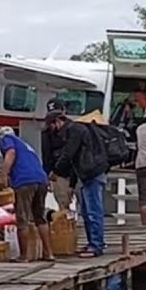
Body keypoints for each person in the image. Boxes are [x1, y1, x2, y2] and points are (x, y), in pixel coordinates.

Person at [48, 108, 108, 257]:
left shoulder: (74, 129)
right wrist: (72, 184)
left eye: (52, 125)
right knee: (87, 212)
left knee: (94, 211)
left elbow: (69, 154)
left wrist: (55, 170)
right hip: (86, 175)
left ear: (58, 121)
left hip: (92, 174)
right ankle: (92, 243)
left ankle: (97, 245)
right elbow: (76, 162)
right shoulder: (76, 129)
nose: (52, 130)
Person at [0, 126, 53, 263]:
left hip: (25, 181)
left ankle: (24, 256)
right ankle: (48, 253)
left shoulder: (7, 139)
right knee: (40, 217)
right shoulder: (26, 146)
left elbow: (11, 152)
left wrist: (3, 175)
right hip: (41, 180)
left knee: (22, 218)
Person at [40, 98, 74, 213]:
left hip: (75, 170)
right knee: (63, 204)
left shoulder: (73, 128)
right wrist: (48, 172)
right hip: (58, 173)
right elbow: (46, 153)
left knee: (84, 205)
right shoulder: (46, 131)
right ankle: (66, 227)